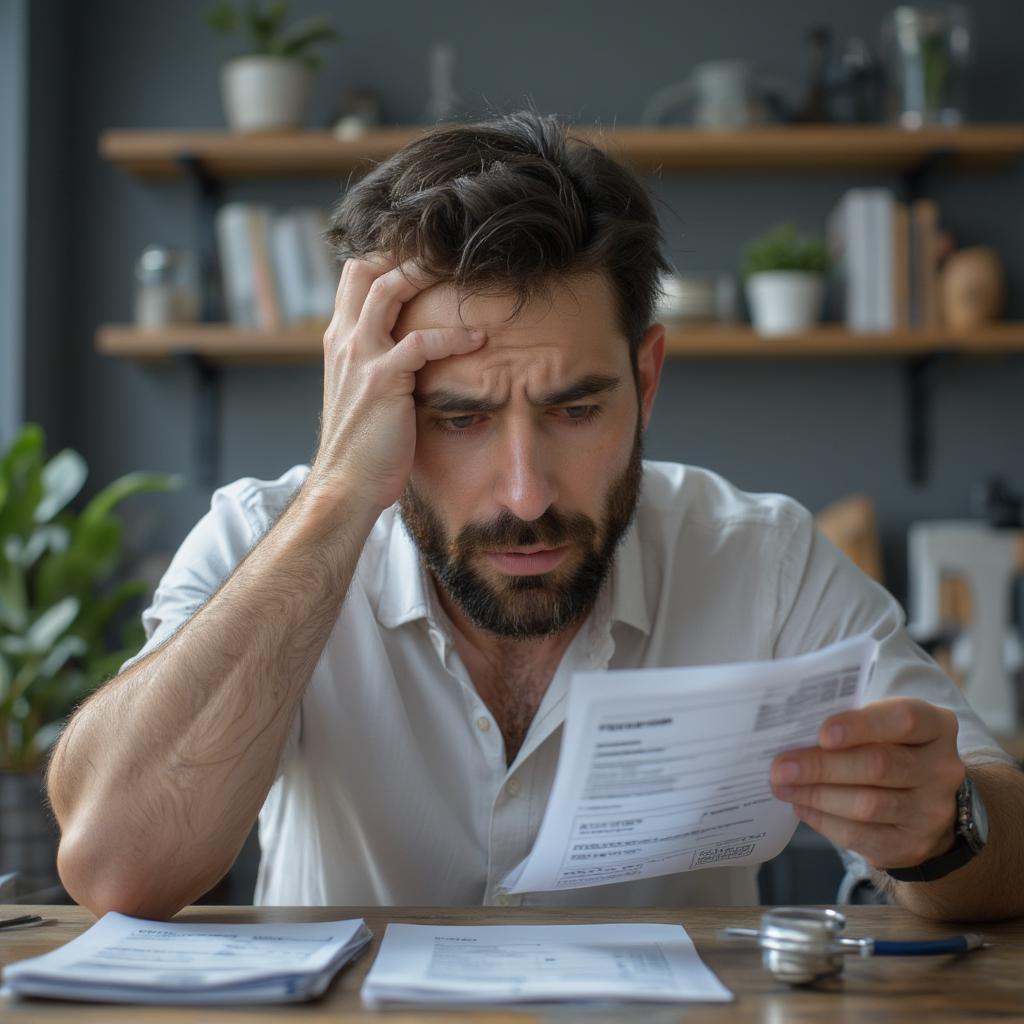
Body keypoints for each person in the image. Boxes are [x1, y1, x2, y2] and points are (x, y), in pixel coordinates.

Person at [48, 112, 1023, 922]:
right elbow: (114, 866)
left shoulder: (757, 556)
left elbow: (1000, 827)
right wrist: (341, 492)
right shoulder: (261, 540)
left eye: (575, 409)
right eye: (458, 417)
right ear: (368, 398)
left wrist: (943, 829)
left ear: (645, 379)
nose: (525, 493)